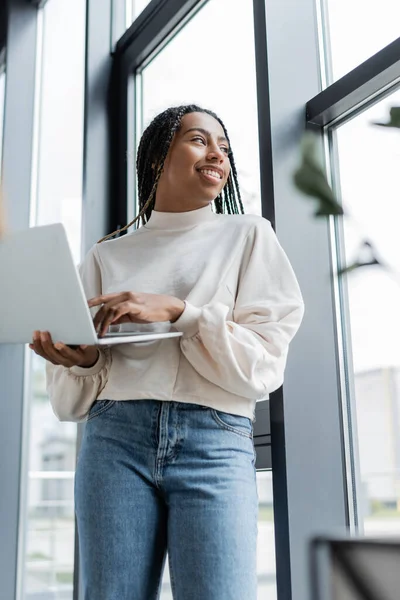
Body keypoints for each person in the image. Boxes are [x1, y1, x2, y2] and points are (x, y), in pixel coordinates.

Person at [30, 104, 305, 600]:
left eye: (224, 146)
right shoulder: (105, 255)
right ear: (159, 154)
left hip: (214, 439)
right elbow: (68, 404)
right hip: (113, 439)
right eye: (200, 140)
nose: (217, 154)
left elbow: (263, 366)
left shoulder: (247, 235)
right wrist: (84, 362)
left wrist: (181, 310)